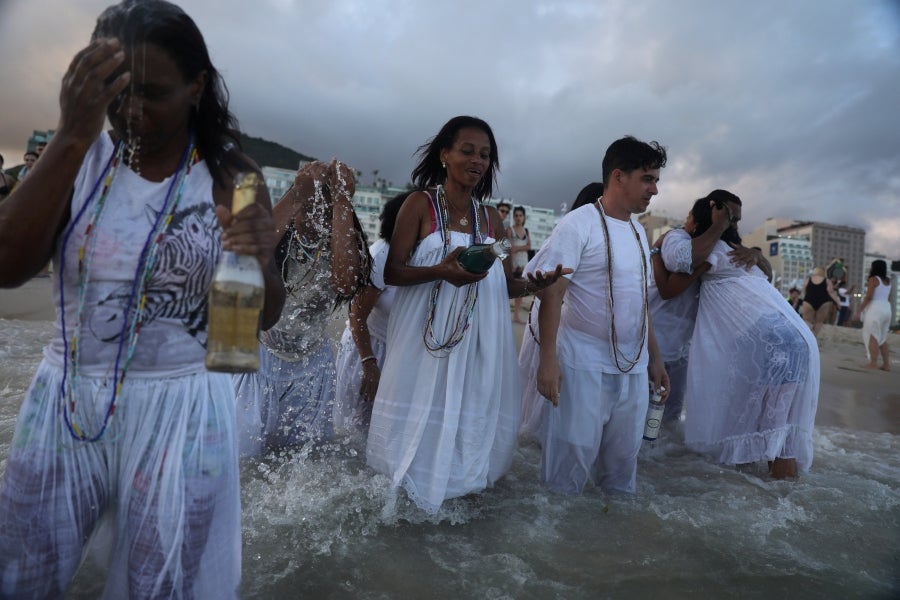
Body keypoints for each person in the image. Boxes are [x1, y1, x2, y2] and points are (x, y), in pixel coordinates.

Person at [0, 1, 285, 596]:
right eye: (115, 91)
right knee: (21, 567)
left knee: (165, 583)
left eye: (152, 93)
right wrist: (74, 134)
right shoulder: (77, 158)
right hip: (67, 399)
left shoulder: (234, 176)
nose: (129, 112)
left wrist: (260, 258)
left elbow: (250, 327)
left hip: (183, 406)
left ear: (197, 87)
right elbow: (6, 265)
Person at [365, 115, 568, 513]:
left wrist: (534, 285)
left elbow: (503, 282)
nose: (478, 160)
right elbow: (393, 271)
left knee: (470, 409)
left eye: (486, 155)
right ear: (445, 154)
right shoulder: (419, 204)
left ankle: (461, 492)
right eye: (468, 151)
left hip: (478, 343)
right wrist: (441, 270)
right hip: (424, 342)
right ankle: (410, 502)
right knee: (421, 411)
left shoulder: (492, 219)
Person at [526, 136, 670, 495]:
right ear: (619, 176)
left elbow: (641, 302)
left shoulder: (639, 231)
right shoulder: (578, 224)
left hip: (633, 368)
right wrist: (547, 363)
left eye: (655, 181)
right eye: (647, 179)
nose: (654, 189)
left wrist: (655, 359)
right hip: (582, 363)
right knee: (567, 468)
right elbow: (552, 292)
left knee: (623, 466)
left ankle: (613, 545)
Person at [662, 191, 819, 479]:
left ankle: (775, 502)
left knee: (774, 429)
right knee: (777, 427)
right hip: (793, 337)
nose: (733, 222)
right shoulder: (717, 249)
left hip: (775, 341)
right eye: (730, 215)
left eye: (735, 219)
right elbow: (680, 260)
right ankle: (783, 498)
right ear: (713, 210)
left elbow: (674, 276)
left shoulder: (719, 251)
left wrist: (754, 251)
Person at [234, 159, 370, 457]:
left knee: (299, 462)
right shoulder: (280, 234)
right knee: (243, 458)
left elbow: (346, 285)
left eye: (327, 205)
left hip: (312, 367)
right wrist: (297, 191)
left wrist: (343, 199)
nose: (317, 212)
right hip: (260, 359)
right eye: (310, 203)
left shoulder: (341, 244)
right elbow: (247, 257)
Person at [519, 182, 601, 441]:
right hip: (553, 321)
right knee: (542, 392)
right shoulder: (570, 231)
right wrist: (558, 294)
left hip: (566, 324)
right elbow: (532, 280)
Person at [333, 191, 409, 436]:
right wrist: (369, 363)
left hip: (396, 352)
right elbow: (356, 315)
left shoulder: (421, 256)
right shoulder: (382, 253)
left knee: (381, 431)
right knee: (350, 430)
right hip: (366, 347)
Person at [854, 259, 892, 371]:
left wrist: (859, 311)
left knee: (872, 336)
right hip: (886, 308)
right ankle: (886, 364)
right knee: (882, 337)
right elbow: (887, 296)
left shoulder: (873, 279)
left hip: (876, 308)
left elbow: (869, 297)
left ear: (874, 268)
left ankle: (873, 363)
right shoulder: (888, 281)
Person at [508, 205, 532, 323]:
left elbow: (529, 246)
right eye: (516, 215)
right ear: (513, 217)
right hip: (513, 263)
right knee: (508, 289)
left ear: (524, 217)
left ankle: (516, 315)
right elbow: (509, 249)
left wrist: (516, 248)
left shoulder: (526, 231)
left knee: (521, 290)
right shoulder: (510, 230)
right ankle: (504, 313)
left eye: (520, 215)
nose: (518, 218)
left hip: (523, 263)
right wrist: (511, 264)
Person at [801, 266, 840, 337]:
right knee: (819, 322)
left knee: (807, 321)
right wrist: (838, 303)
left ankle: (808, 335)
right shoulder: (827, 281)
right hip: (823, 302)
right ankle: (814, 336)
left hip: (809, 300)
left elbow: (804, 290)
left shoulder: (808, 279)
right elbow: (831, 292)